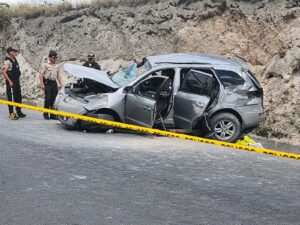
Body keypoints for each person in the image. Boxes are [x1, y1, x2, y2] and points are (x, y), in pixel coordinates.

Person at [2, 47, 26, 119]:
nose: (15, 52)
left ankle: (18, 111)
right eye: (14, 51)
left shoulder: (14, 60)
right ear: (10, 52)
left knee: (18, 96)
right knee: (11, 97)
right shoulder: (7, 61)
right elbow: (4, 72)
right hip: (11, 82)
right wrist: (9, 81)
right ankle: (11, 113)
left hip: (16, 81)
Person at [39, 50, 62, 120]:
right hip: (47, 83)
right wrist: (42, 84)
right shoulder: (45, 65)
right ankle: (45, 114)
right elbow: (41, 75)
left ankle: (52, 114)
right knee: (48, 98)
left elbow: (58, 75)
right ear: (50, 58)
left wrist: (61, 84)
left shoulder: (57, 66)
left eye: (56, 57)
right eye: (54, 57)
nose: (55, 59)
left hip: (54, 83)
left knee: (54, 99)